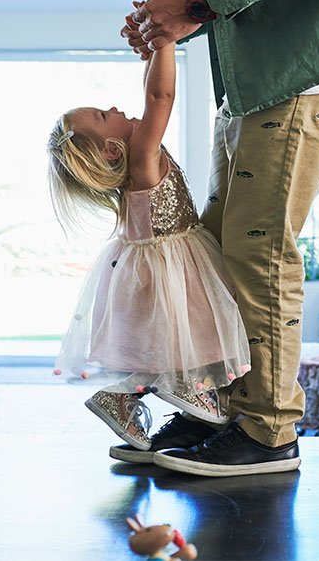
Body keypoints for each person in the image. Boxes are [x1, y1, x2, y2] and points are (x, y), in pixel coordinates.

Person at [117, 0, 319, 477]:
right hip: (258, 77)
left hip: (306, 64)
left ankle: (268, 431)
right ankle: (223, 413)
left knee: (260, 250)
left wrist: (195, 4)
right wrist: (185, 16)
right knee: (219, 249)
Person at [47, 41, 251, 453]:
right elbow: (160, 96)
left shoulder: (131, 165)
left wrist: (151, 57)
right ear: (109, 148)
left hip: (147, 268)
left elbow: (150, 88)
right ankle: (182, 389)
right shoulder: (143, 153)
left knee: (169, 342)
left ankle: (121, 397)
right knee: (190, 334)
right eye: (106, 116)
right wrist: (165, 41)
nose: (117, 109)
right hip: (171, 267)